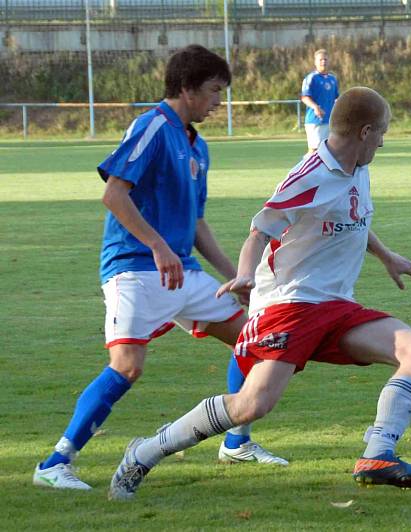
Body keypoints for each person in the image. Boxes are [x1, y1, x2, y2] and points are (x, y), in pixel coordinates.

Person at [107, 86, 411, 500]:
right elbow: (259, 230)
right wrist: (244, 274)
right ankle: (143, 452)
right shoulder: (310, 174)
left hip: (336, 305)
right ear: (365, 131)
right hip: (291, 305)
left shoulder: (357, 167)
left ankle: (377, 456)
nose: (384, 141)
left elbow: (351, 216)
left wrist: (386, 255)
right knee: (251, 405)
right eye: (383, 133)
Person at [33, 45, 285, 491]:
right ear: (186, 88)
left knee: (254, 340)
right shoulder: (151, 126)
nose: (217, 103)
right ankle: (55, 463)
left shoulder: (197, 145)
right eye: (213, 92)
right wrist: (157, 246)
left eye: (222, 93)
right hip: (133, 266)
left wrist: (236, 276)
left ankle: (236, 442)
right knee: (127, 366)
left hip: (180, 269)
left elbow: (197, 223)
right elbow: (114, 194)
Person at [301, 48, 339, 154]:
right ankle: (303, 170)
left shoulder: (332, 79)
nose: (323, 62)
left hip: (330, 120)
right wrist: (315, 107)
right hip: (315, 120)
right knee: (314, 150)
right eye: (321, 59)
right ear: (315, 62)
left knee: (328, 151)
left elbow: (336, 98)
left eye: (325, 59)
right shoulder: (311, 78)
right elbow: (305, 97)